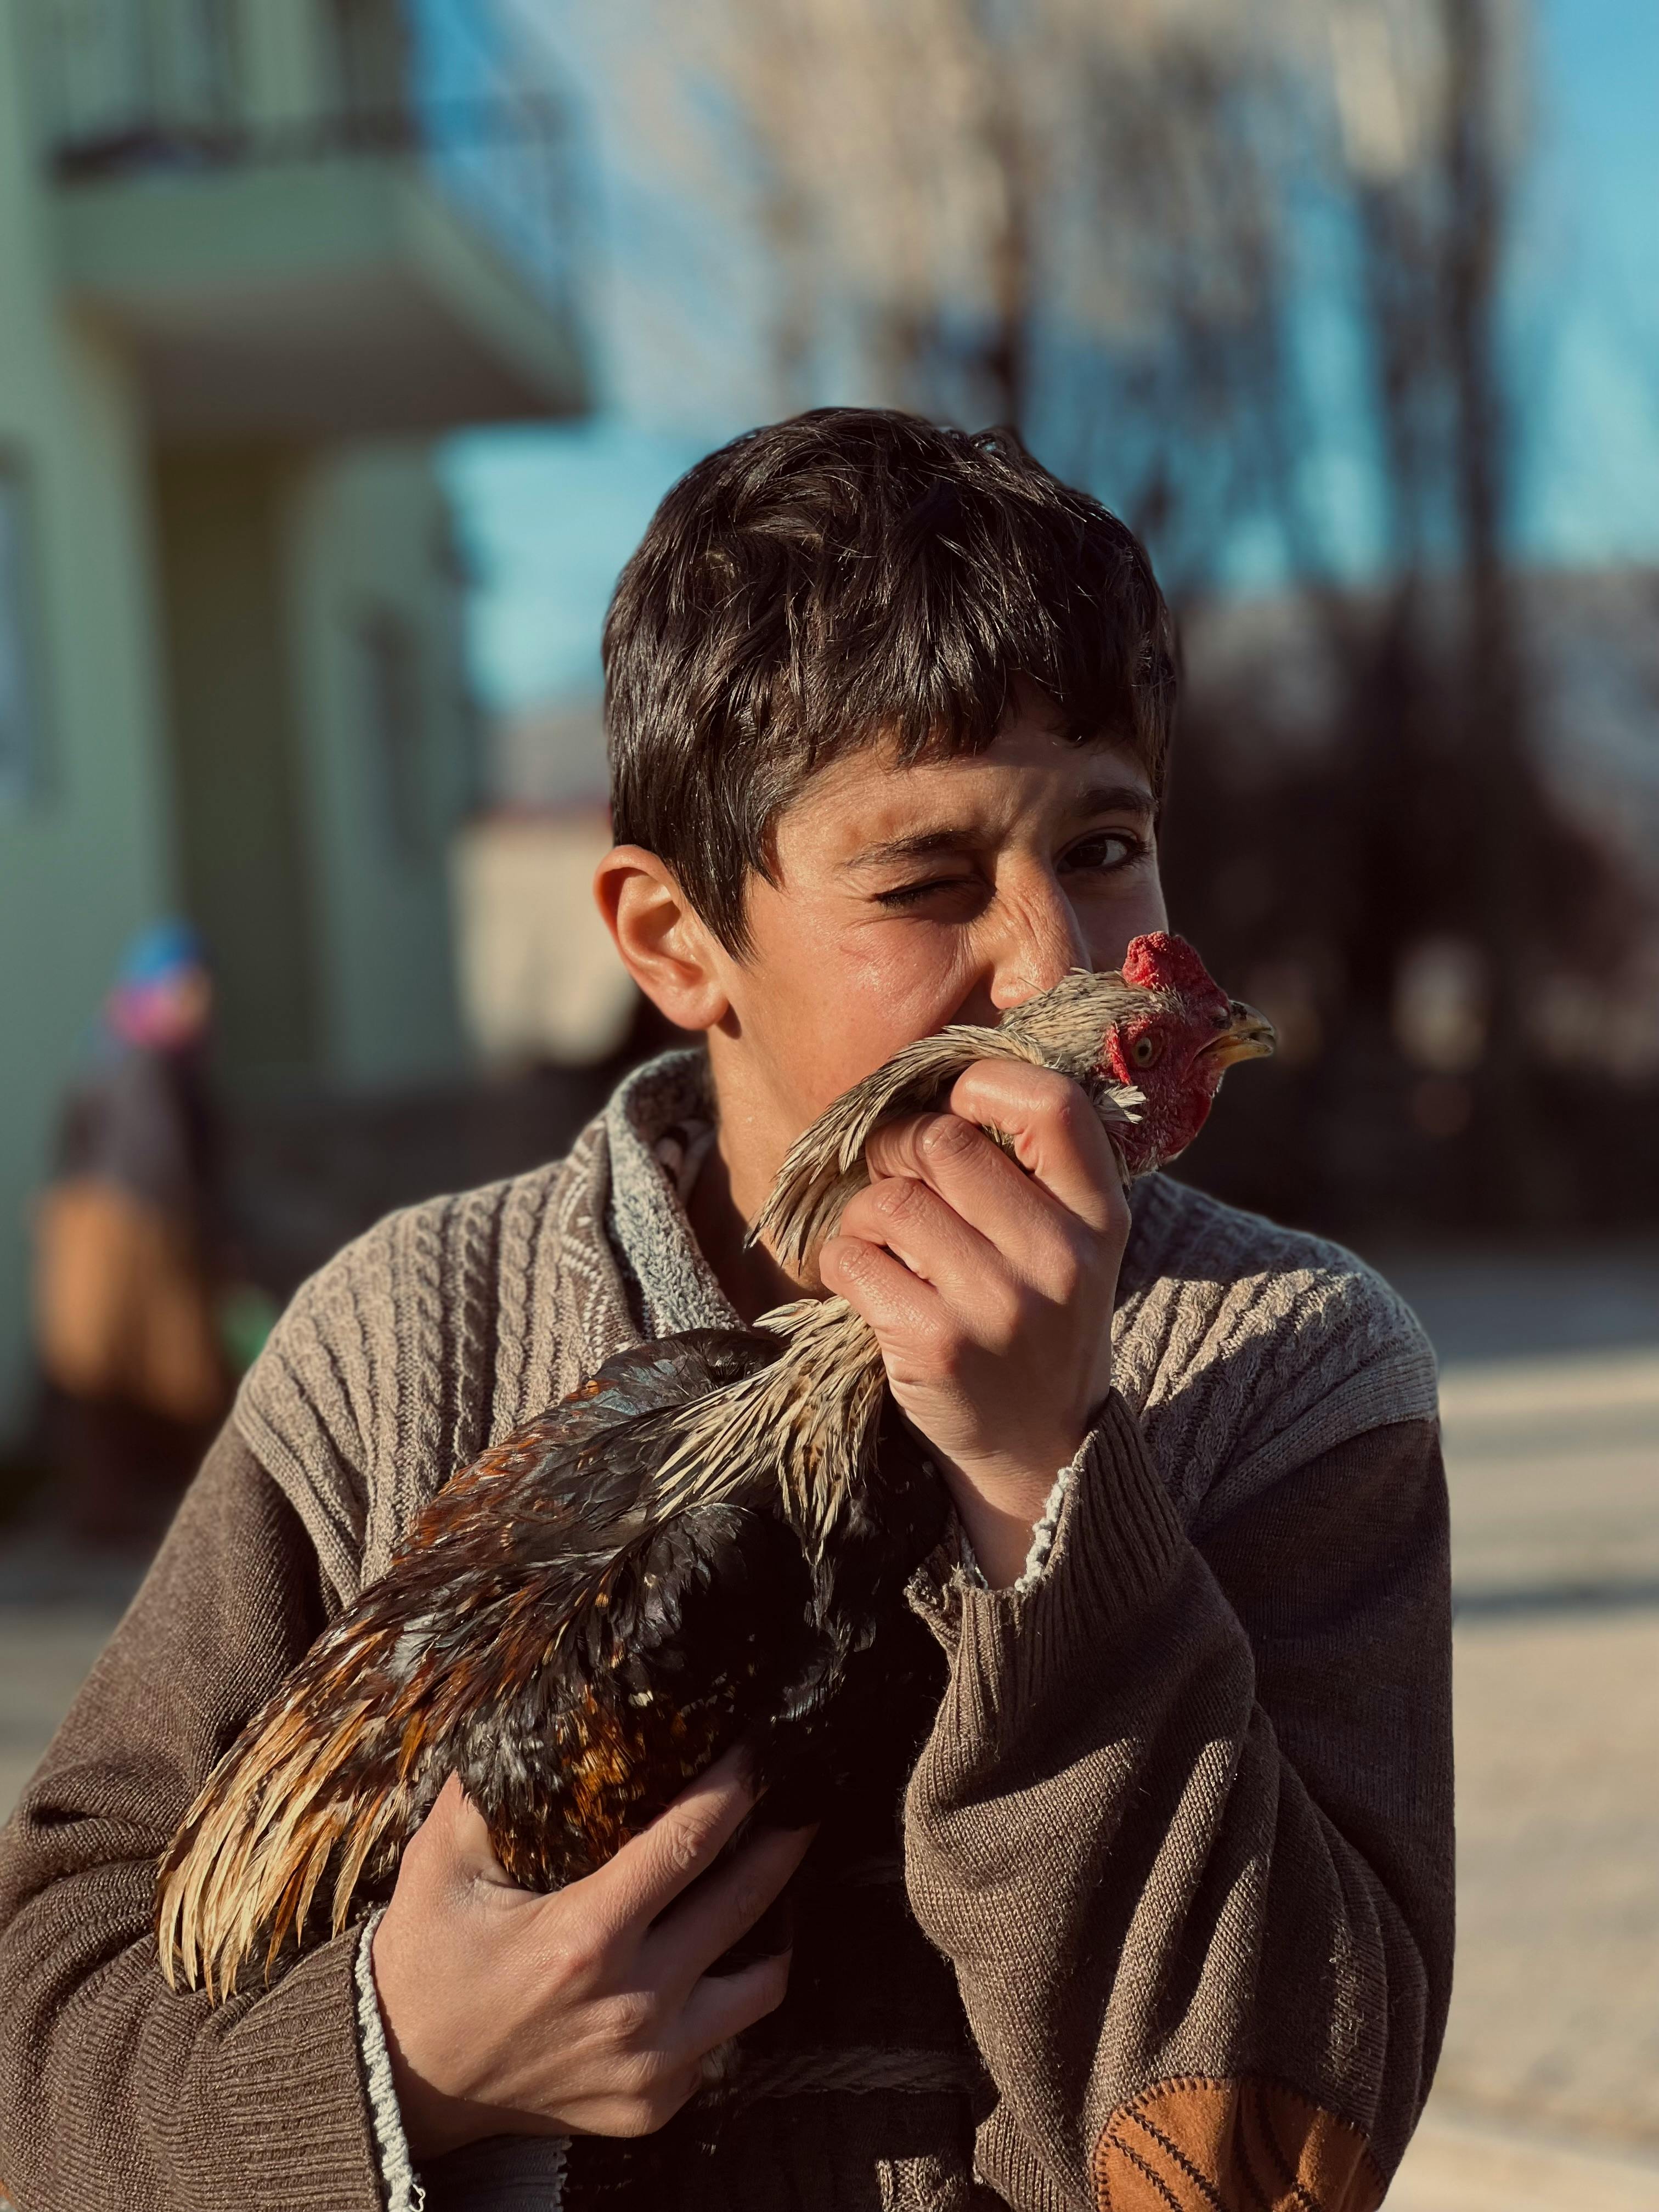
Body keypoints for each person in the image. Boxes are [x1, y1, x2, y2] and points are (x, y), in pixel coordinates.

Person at [0, 414, 1451, 2212]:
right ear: (677, 942)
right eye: (924, 880)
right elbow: (46, 2033)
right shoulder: (405, 1344)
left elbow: (1279, 2157)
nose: (1048, 962)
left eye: (1102, 844)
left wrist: (1052, 1507)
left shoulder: (1284, 1370)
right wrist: (399, 2059)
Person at [30, 921, 230, 1546]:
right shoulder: (141, 1064)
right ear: (155, 989)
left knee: (118, 1381)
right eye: (186, 986)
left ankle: (120, 1515)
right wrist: (215, 1239)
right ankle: (139, 1519)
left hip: (114, 1233)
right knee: (153, 1379)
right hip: (128, 1239)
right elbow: (160, 1164)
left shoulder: (121, 1050)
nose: (200, 1000)